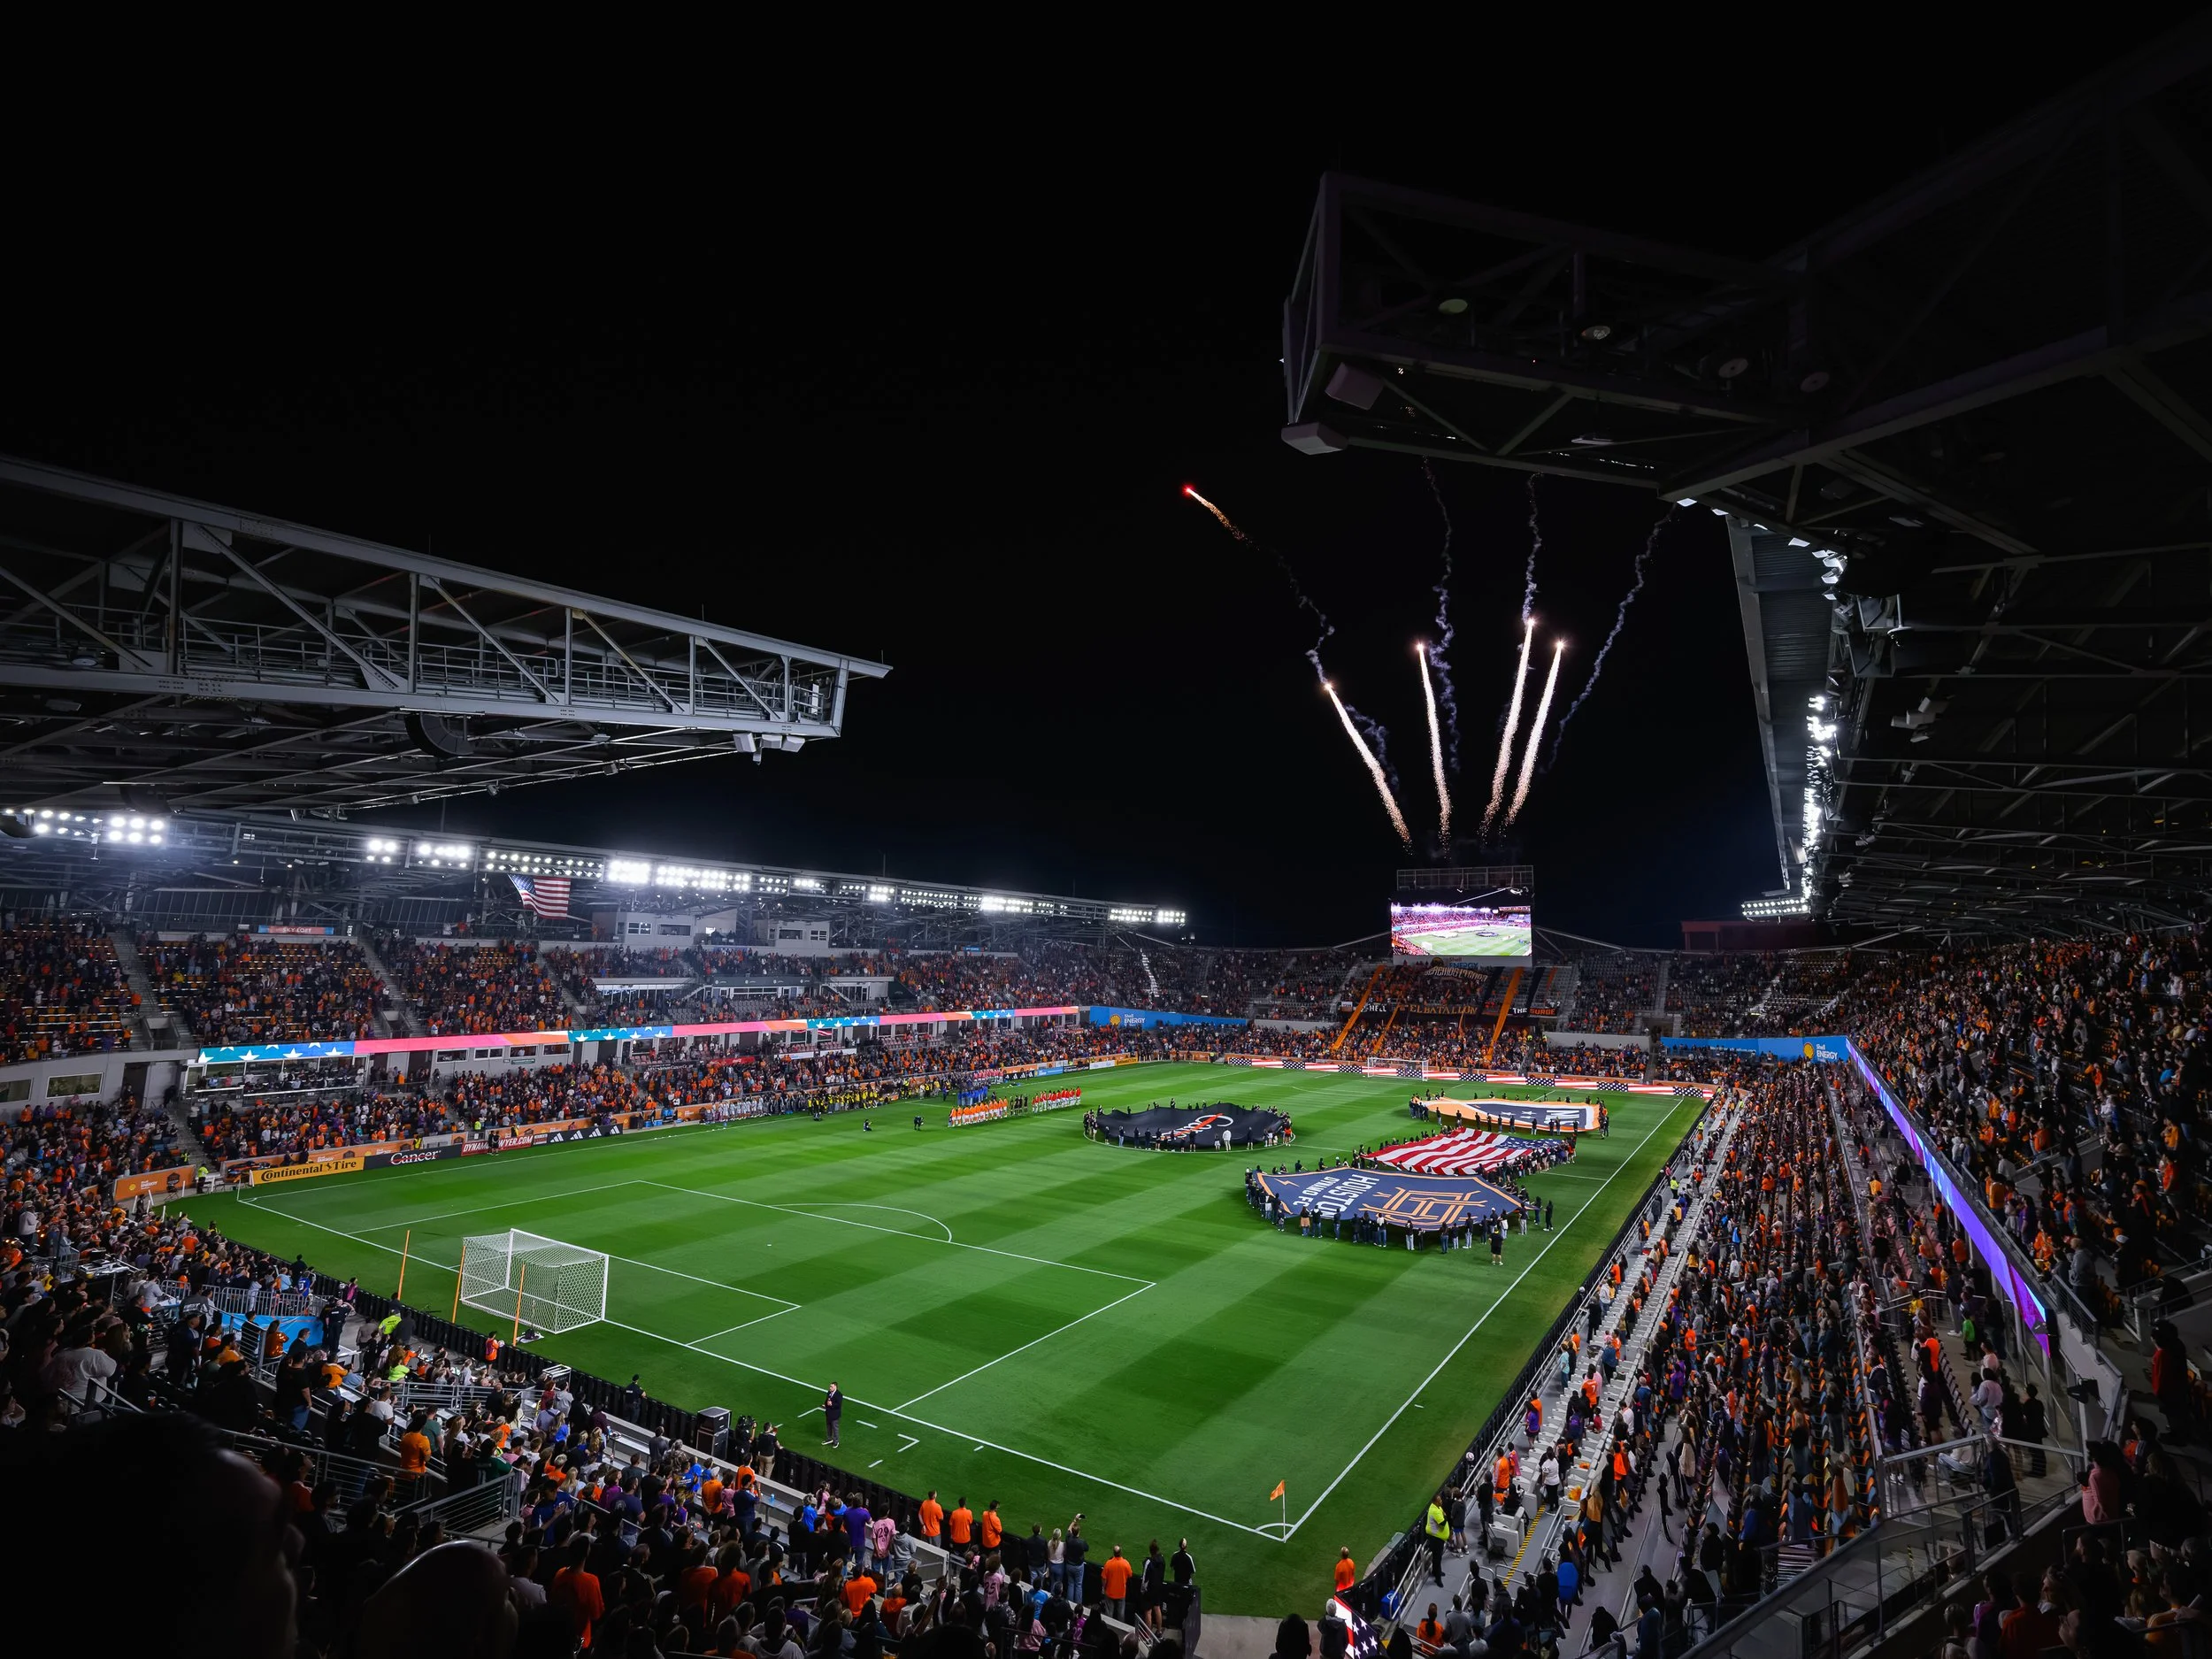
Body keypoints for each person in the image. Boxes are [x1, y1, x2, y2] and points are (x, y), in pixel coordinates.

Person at [1100, 1545, 1133, 1621]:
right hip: (1121, 1592)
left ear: (1114, 1553)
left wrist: (1104, 1588)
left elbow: (1104, 1578)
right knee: (1121, 1614)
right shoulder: (1125, 1563)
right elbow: (1130, 1574)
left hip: (1110, 1592)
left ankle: (1108, 1629)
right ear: (1120, 1553)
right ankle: (1120, 1630)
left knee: (1109, 1614)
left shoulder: (1108, 1563)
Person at [823, 1380, 842, 1448]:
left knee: (835, 1428)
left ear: (835, 1387)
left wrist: (832, 1404)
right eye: (830, 1386)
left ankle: (836, 1441)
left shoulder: (839, 1395)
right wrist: (825, 1404)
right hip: (828, 1413)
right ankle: (829, 1439)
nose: (830, 1388)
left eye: (831, 1386)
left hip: (835, 1415)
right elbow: (826, 1400)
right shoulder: (829, 1392)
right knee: (828, 1427)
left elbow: (839, 1405)